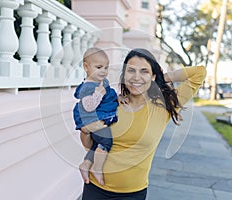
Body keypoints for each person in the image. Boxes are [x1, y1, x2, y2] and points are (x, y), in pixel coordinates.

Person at [79, 48, 207, 200]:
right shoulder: (110, 103)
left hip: (133, 194)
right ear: (124, 75)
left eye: (144, 71)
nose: (136, 77)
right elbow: (89, 145)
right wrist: (85, 132)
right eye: (131, 71)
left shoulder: (163, 107)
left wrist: (160, 77)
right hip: (95, 190)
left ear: (153, 75)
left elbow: (199, 73)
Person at [73, 47, 118, 186]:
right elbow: (88, 106)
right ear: (86, 67)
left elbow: (109, 96)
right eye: (99, 67)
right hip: (93, 119)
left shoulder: (100, 82)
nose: (103, 71)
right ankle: (97, 168)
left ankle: (86, 163)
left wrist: (118, 98)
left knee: (97, 145)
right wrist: (98, 93)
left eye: (106, 67)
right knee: (106, 142)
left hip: (98, 117)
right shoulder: (88, 86)